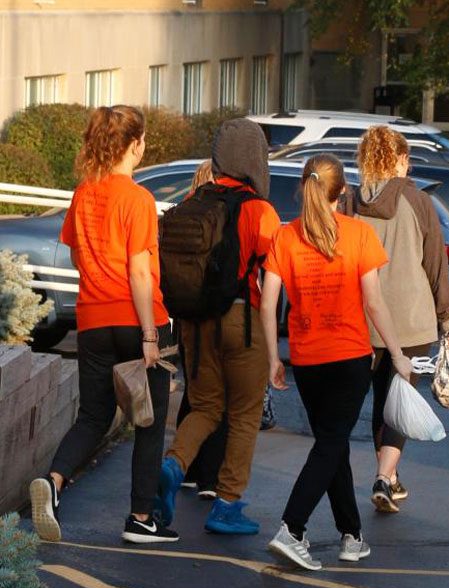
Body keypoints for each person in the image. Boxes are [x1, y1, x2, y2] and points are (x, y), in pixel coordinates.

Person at [29, 105, 178, 544]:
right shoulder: (137, 199)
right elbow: (137, 271)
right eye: (143, 140)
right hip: (137, 318)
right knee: (148, 421)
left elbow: (76, 256)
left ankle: (53, 483)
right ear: (134, 145)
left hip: (92, 319)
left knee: (93, 415)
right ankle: (140, 519)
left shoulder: (83, 193)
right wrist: (151, 334)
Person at [261, 154, 413, 570]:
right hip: (347, 357)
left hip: (307, 359)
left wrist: (274, 356)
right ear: (342, 191)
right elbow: (375, 302)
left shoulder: (286, 236)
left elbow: (269, 300)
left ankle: (352, 535)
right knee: (330, 444)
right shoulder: (359, 234)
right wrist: (397, 354)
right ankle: (292, 528)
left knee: (334, 443)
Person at [156, 119, 280, 535]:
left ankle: (173, 467)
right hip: (242, 321)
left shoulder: (195, 199)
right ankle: (227, 505)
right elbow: (274, 271)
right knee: (243, 414)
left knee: (205, 406)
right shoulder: (259, 210)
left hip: (195, 322)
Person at [354, 126, 449, 513]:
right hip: (411, 320)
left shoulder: (351, 201)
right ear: (399, 160)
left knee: (378, 403)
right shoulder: (418, 202)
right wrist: (448, 322)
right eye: (406, 158)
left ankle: (389, 476)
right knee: (397, 400)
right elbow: (435, 268)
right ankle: (385, 476)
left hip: (363, 318)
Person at [174, 159, 227, 501]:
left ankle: (187, 470)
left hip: (183, 312)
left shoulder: (181, 211)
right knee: (217, 397)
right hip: (213, 312)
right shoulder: (220, 214)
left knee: (193, 391)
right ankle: (210, 477)